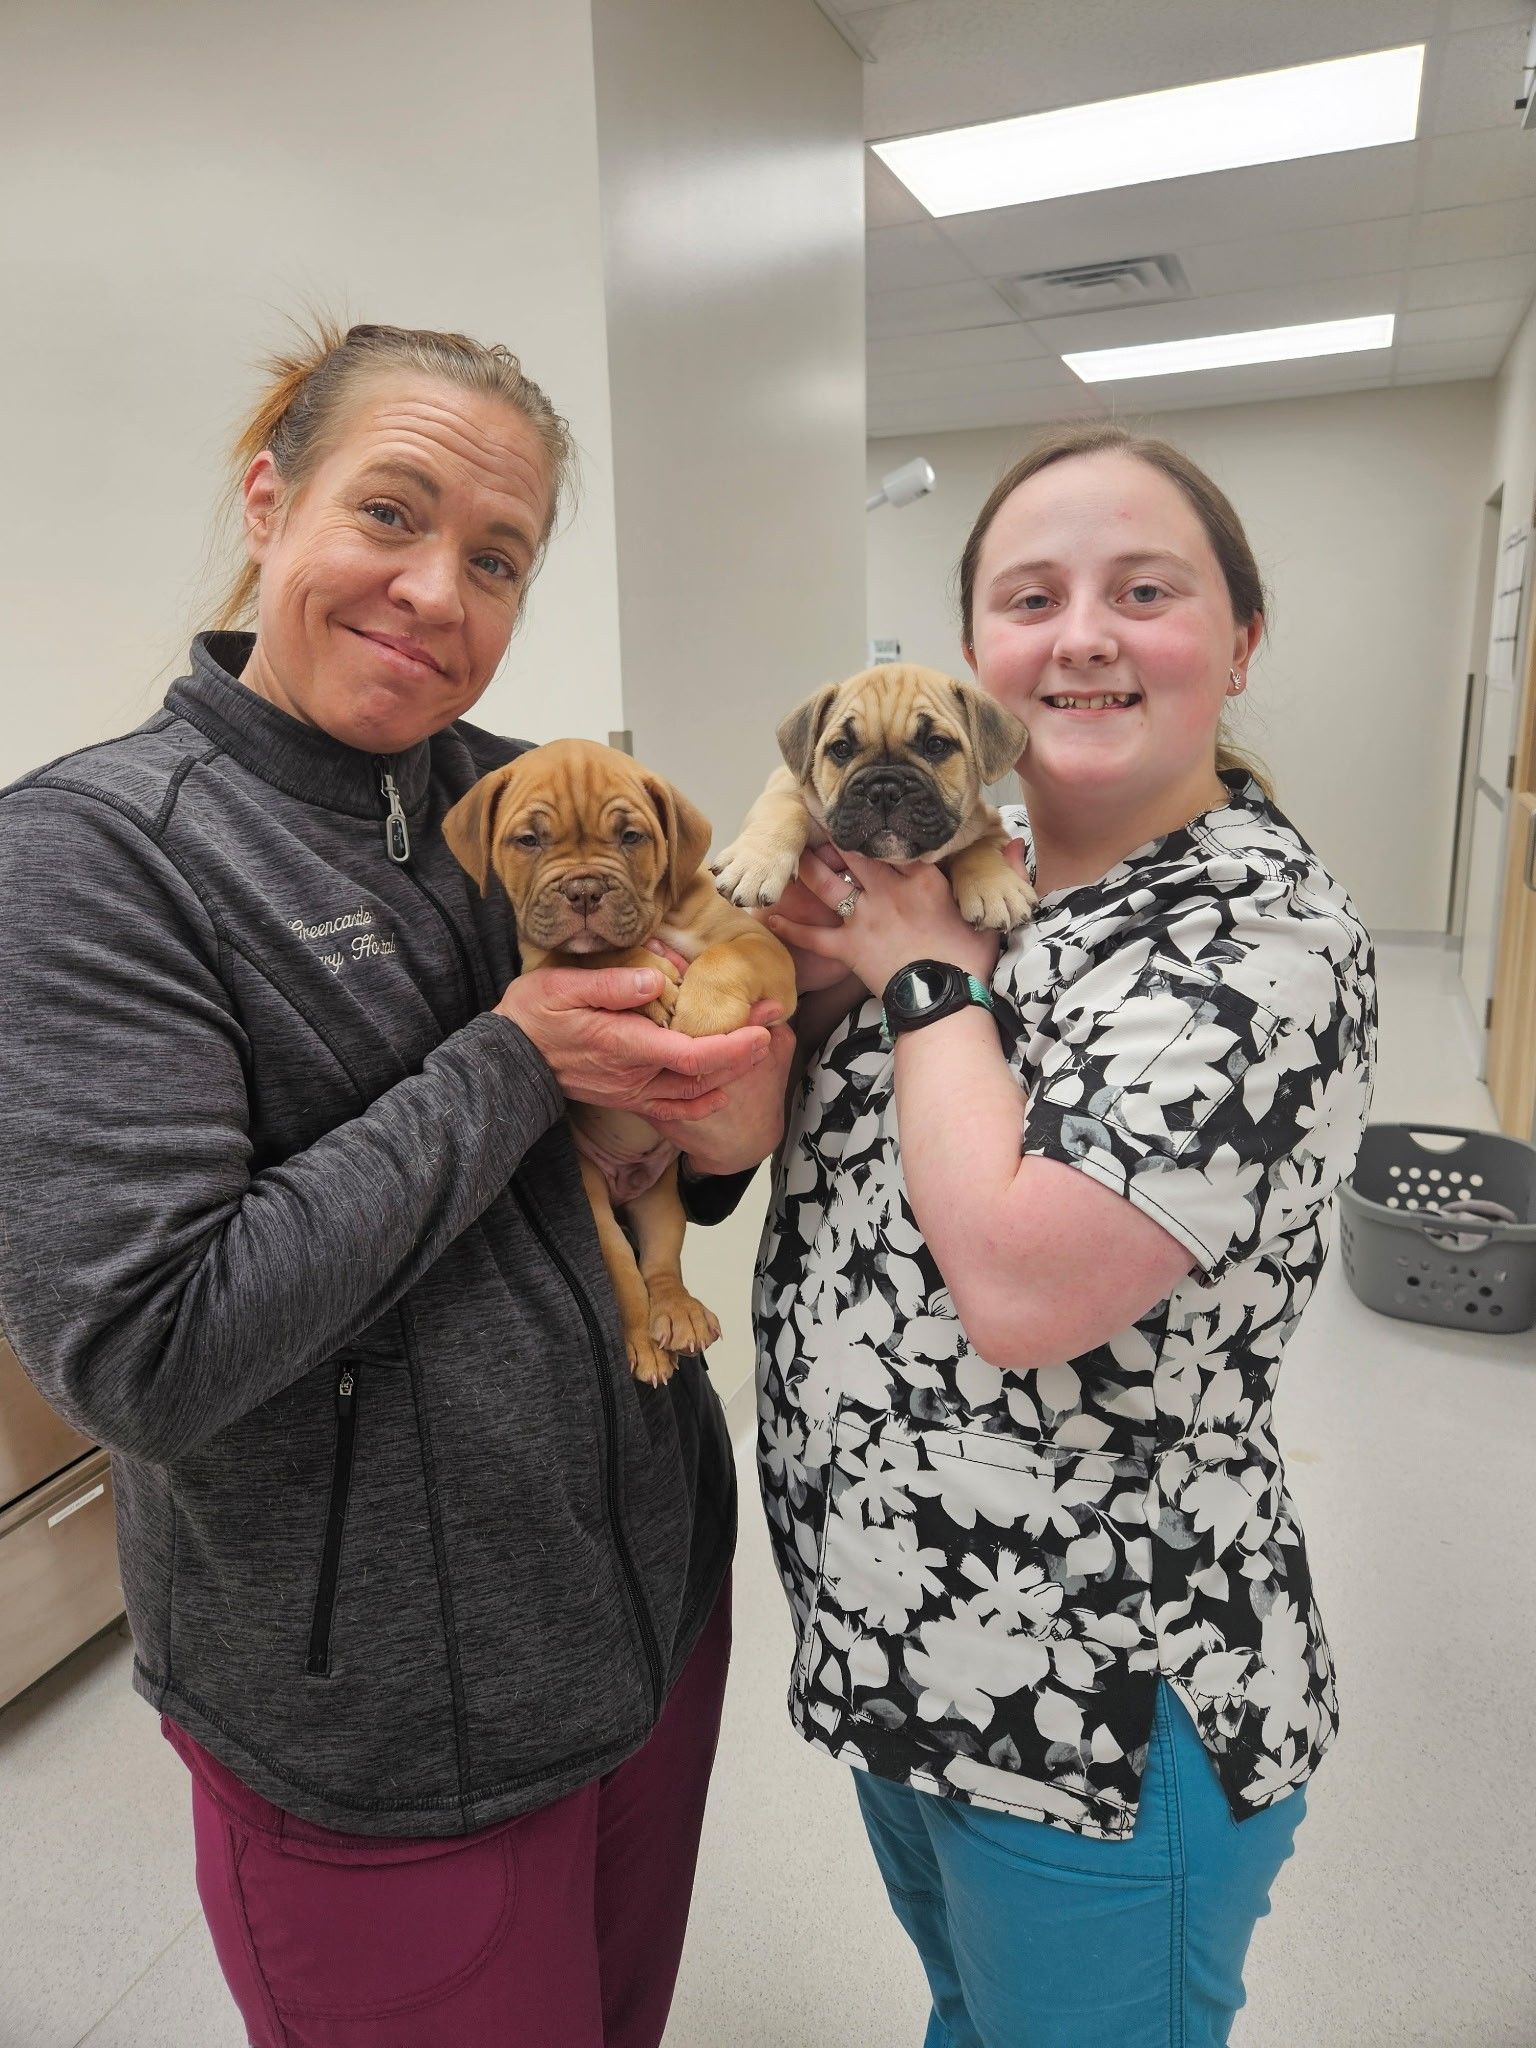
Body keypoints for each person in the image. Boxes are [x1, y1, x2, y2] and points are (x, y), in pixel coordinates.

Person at [0, 320, 792, 2048]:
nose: (438, 591)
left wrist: (707, 1128)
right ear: (269, 500)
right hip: (382, 1717)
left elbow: (636, 1123)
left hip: (649, 1608)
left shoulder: (519, 798)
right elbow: (140, 1349)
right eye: (392, 514)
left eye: (495, 557)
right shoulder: (91, 859)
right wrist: (515, 1063)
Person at [755, 423, 1377, 2048]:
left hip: (1097, 1697)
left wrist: (914, 972)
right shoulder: (991, 880)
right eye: (1032, 597)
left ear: (1240, 642)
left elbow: (1026, 1285)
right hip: (920, 1649)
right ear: (977, 671)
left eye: (1146, 589)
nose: (1084, 632)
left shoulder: (1255, 934)